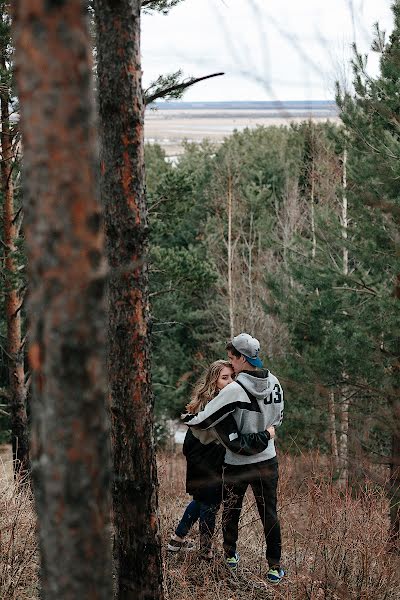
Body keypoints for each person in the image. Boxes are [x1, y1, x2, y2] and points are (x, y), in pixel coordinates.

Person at [183, 334, 285, 585]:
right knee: (269, 513)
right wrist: (266, 434)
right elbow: (278, 418)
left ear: (242, 358)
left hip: (237, 463)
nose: (231, 362)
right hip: (267, 460)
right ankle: (274, 567)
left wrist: (188, 418)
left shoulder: (235, 389)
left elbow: (203, 419)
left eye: (232, 358)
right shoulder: (275, 382)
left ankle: (230, 556)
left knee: (231, 509)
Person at [168, 359, 274, 560]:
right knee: (210, 502)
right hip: (204, 455)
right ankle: (205, 551)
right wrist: (266, 435)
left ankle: (177, 538)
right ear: (213, 381)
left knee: (202, 500)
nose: (230, 382)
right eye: (224, 378)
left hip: (211, 455)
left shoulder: (226, 398)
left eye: (232, 377)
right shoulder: (213, 402)